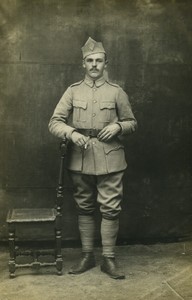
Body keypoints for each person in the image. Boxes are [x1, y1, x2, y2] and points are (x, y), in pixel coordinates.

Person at [48, 37, 137, 279]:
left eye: (99, 60)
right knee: (84, 207)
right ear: (83, 64)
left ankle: (108, 259)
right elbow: (54, 122)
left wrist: (118, 127)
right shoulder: (72, 91)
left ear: (106, 63)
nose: (94, 65)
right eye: (90, 61)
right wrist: (72, 132)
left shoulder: (117, 92)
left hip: (111, 159)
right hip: (80, 157)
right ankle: (87, 256)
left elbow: (132, 122)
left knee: (110, 208)